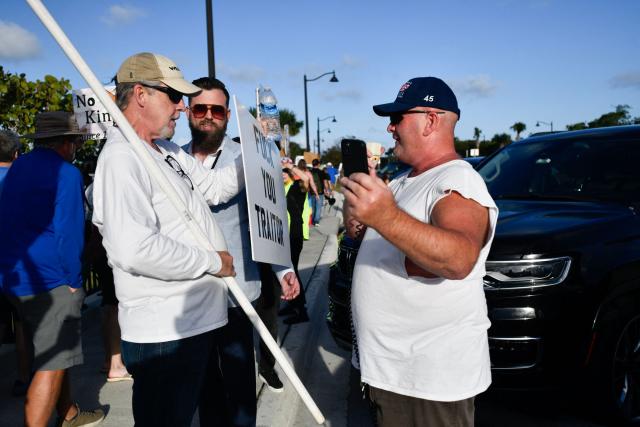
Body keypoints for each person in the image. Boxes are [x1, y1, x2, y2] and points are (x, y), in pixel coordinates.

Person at [91, 52, 242, 427]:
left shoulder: (168, 151)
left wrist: (256, 155)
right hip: (164, 335)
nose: (181, 107)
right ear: (140, 94)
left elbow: (215, 187)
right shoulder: (121, 158)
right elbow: (134, 248)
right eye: (173, 96)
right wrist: (212, 261)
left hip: (198, 326)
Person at [341, 77, 498, 427]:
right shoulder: (402, 180)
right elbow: (382, 238)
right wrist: (359, 218)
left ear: (430, 120)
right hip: (387, 372)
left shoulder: (458, 180)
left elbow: (459, 258)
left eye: (399, 117)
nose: (390, 127)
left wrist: (385, 215)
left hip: (425, 384)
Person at [182, 76, 299, 425]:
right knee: (206, 389)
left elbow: (271, 217)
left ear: (227, 116)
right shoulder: (173, 160)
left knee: (240, 388)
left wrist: (284, 270)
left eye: (216, 109)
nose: (208, 116)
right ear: (189, 111)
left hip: (237, 293)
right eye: (200, 108)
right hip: (192, 293)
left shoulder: (249, 158)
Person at [0, 112, 104, 426]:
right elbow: (68, 235)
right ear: (65, 143)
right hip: (52, 281)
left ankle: (68, 412)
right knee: (51, 364)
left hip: (15, 277)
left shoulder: (17, 168)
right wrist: (73, 282)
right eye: (74, 141)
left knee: (54, 356)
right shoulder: (67, 174)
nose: (75, 148)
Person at [0, 129, 32, 397]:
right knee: (22, 325)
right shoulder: (24, 182)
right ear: (17, 154)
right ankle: (24, 377)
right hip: (21, 269)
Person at [277, 159, 311, 325]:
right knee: (287, 270)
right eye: (280, 171)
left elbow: (305, 179)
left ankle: (301, 310)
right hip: (283, 235)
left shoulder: (297, 187)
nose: (282, 174)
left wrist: (290, 165)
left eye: (285, 172)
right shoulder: (280, 188)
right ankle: (292, 305)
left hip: (294, 235)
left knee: (293, 271)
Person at [310, 158, 330, 226]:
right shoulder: (321, 172)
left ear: (312, 164)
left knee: (313, 207)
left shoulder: (310, 172)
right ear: (318, 164)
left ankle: (312, 220)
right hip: (320, 192)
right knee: (318, 207)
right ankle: (316, 221)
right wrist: (327, 190)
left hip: (311, 192)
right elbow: (325, 182)